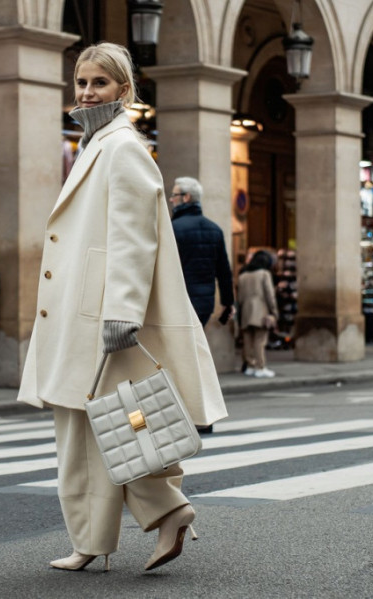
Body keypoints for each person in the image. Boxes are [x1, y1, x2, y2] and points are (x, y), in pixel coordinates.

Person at [17, 42, 227, 573]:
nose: (87, 92)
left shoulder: (123, 147)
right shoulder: (96, 145)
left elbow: (135, 238)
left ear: (125, 90)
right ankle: (123, 529)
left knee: (105, 428)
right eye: (82, 82)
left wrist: (123, 311)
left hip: (99, 318)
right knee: (96, 430)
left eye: (100, 83)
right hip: (81, 315)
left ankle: (129, 527)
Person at [169, 176, 235, 327]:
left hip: (179, 302)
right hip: (205, 304)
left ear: (186, 197)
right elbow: (224, 271)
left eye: (174, 195)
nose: (171, 199)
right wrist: (228, 302)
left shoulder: (172, 229)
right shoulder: (215, 230)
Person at [237, 250, 278, 378]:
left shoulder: (243, 276)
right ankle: (260, 366)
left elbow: (239, 297)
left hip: (245, 311)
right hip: (261, 311)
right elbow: (270, 295)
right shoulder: (264, 274)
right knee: (260, 340)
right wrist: (274, 311)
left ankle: (249, 365)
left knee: (248, 340)